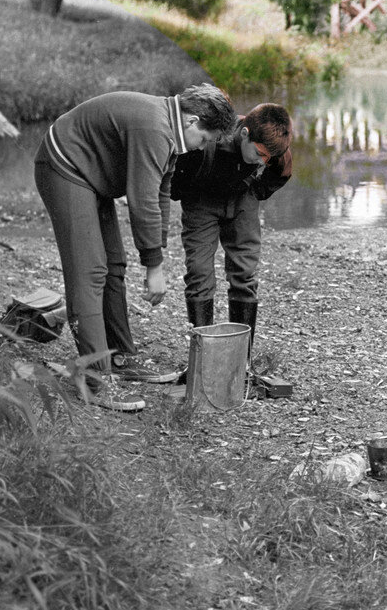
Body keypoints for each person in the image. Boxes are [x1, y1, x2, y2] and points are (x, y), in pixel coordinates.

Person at [34, 84, 238, 412]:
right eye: (206, 139)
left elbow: (161, 192)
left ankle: (119, 357)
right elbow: (141, 201)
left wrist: (156, 253)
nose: (203, 148)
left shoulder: (169, 128)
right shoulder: (155, 128)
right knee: (89, 272)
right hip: (64, 166)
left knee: (113, 265)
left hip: (91, 175)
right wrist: (154, 266)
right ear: (192, 121)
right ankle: (94, 381)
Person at [171, 103, 293, 370]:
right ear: (245, 134)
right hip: (201, 201)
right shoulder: (214, 136)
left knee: (245, 273)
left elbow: (281, 173)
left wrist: (256, 189)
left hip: (243, 200)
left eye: (267, 158)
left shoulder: (274, 149)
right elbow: (175, 173)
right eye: (259, 154)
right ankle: (201, 363)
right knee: (199, 273)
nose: (263, 161)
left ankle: (241, 363)